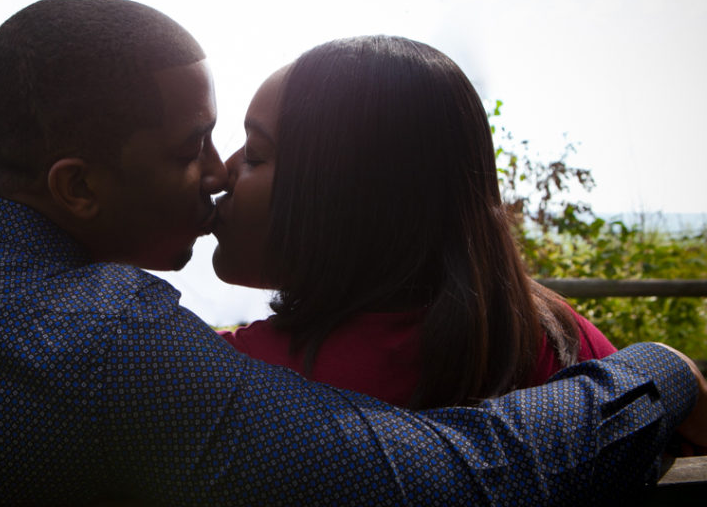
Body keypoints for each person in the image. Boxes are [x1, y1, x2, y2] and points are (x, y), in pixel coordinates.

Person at [0, 0, 707, 507]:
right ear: (79, 186)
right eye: (193, 150)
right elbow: (453, 496)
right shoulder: (109, 344)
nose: (219, 172)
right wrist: (657, 374)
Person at [214, 35, 615, 408]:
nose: (220, 172)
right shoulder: (560, 342)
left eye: (254, 154)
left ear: (341, 197)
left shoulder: (235, 377)